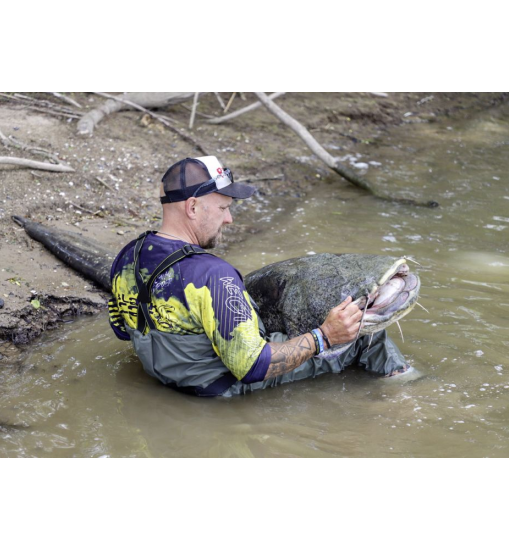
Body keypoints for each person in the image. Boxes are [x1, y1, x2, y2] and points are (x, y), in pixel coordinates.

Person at [108, 156, 409, 397]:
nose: (229, 218)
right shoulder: (214, 275)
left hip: (163, 376)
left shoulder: (127, 256)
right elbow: (251, 367)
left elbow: (122, 328)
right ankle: (407, 392)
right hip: (218, 387)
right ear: (192, 206)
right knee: (363, 334)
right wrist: (325, 337)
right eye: (224, 208)